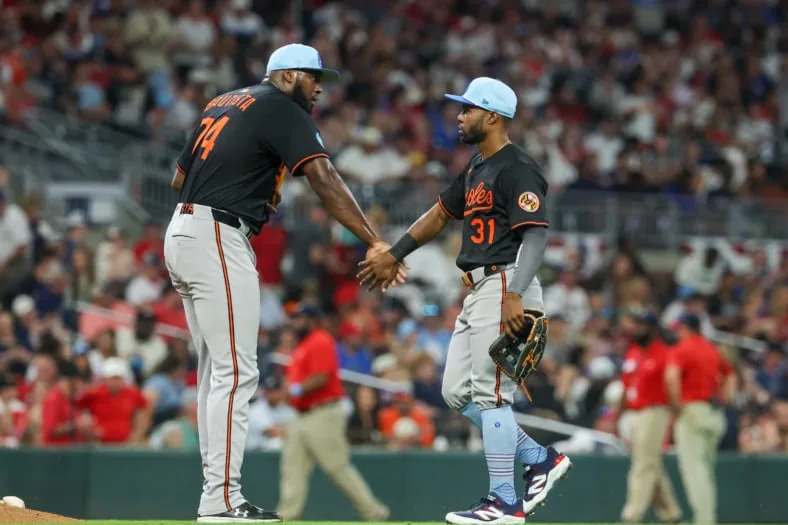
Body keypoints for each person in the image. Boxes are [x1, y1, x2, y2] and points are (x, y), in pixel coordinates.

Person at [163, 43, 404, 522]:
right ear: (288, 75)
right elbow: (324, 175)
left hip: (181, 229)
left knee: (216, 373)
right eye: (314, 78)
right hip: (217, 234)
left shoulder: (223, 102)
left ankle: (216, 496)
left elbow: (177, 179)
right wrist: (375, 241)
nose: (319, 88)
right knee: (236, 373)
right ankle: (221, 500)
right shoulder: (281, 104)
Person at [359, 77, 572, 524]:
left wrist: (515, 294)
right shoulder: (477, 167)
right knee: (456, 392)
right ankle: (539, 459)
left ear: (492, 116)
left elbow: (535, 237)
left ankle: (503, 501)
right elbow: (439, 215)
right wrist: (394, 254)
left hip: (505, 281)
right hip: (479, 287)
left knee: (493, 397)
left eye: (467, 109)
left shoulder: (517, 167)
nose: (459, 116)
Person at [277, 303, 389, 521]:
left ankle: (374, 511)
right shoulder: (302, 345)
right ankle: (287, 516)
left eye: (299, 318)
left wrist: (294, 389)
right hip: (301, 414)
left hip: (323, 412)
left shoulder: (320, 340)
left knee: (337, 467)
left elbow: (322, 377)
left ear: (312, 320)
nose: (295, 323)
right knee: (292, 468)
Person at [664, 314, 736, 525]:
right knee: (706, 470)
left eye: (679, 328)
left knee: (695, 471)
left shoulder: (682, 349)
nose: (677, 332)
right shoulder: (711, 349)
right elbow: (730, 375)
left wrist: (677, 406)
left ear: (687, 329)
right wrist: (727, 398)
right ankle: (706, 517)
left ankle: (704, 521)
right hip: (714, 413)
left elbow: (671, 376)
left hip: (692, 411)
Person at [620, 309, 682, 524]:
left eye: (642, 325)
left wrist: (675, 418)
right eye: (636, 324)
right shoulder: (633, 351)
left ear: (654, 329)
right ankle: (671, 512)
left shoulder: (664, 353)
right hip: (632, 413)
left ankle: (632, 514)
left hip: (655, 411)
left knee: (644, 464)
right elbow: (625, 385)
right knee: (650, 464)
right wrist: (616, 416)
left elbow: (673, 387)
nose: (637, 329)